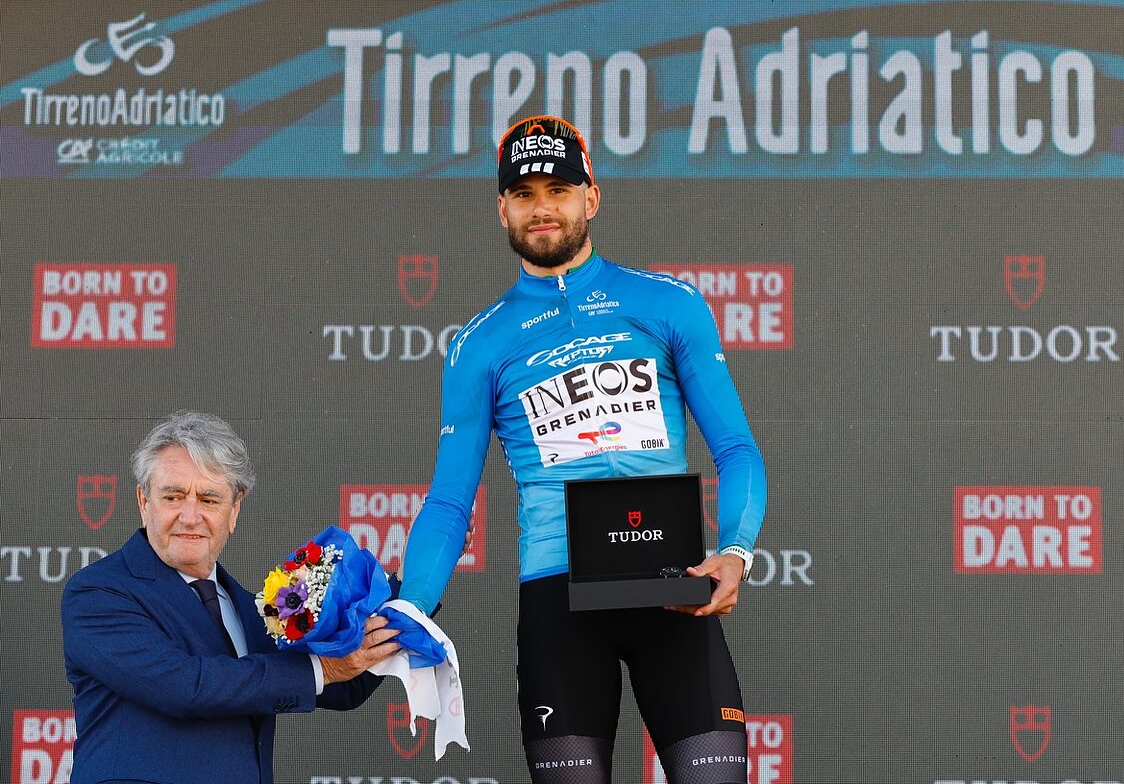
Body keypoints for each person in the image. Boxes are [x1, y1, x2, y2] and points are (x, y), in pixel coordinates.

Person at [401, 115, 767, 783]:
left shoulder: (667, 302)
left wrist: (737, 549)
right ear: (502, 209)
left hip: (674, 592)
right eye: (523, 193)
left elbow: (737, 448)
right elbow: (451, 500)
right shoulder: (479, 343)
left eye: (559, 189)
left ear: (591, 197)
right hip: (558, 601)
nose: (542, 208)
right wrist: (412, 604)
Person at [61, 411, 400, 784]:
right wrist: (323, 670)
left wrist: (418, 576)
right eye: (173, 496)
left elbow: (345, 685)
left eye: (209, 500)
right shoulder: (98, 594)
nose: (190, 517)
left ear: (233, 511)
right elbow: (186, 686)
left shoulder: (250, 607)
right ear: (144, 502)